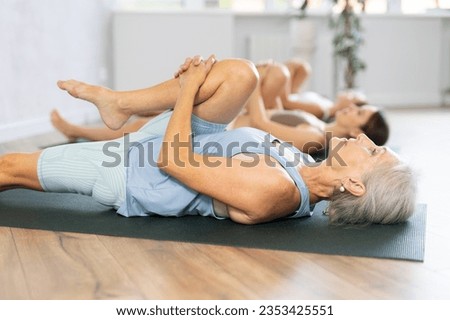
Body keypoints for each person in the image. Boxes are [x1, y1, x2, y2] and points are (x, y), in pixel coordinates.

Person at [0, 55, 416, 225]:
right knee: (242, 74)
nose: (363, 138)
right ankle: (119, 104)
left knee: (10, 168)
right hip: (188, 138)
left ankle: (121, 108)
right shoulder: (302, 164)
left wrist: (188, 90)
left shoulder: (278, 191)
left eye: (373, 151)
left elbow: (174, 163)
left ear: (356, 184)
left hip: (133, 168)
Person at [255, 59, 367, 120]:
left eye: (353, 97)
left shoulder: (321, 110)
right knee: (303, 68)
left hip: (276, 103)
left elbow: (286, 103)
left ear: (350, 106)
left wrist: (285, 74)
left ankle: (265, 73)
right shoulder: (327, 102)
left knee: (280, 72)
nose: (350, 93)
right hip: (290, 96)